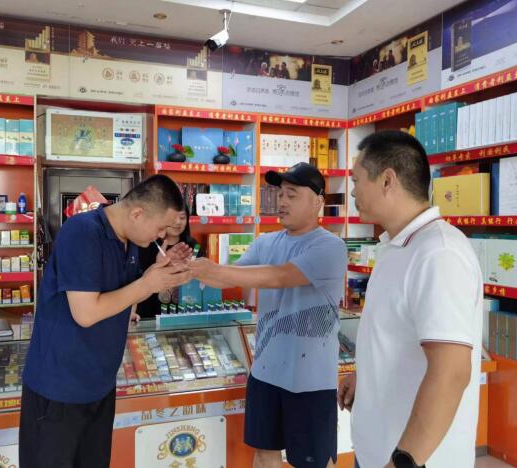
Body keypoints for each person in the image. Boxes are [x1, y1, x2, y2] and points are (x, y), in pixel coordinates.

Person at [20, 174, 193, 468]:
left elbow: (125, 303)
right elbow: (86, 313)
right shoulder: (82, 231)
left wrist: (158, 272)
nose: (162, 236)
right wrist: (147, 283)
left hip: (99, 386)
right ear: (137, 214)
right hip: (59, 388)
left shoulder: (131, 242)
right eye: (161, 227)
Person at [338, 131, 482, 468]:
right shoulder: (396, 245)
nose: (353, 191)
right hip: (376, 451)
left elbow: (451, 372)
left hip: (411, 459)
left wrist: (403, 462)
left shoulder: (439, 254)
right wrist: (367, 377)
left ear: (387, 180)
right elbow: (399, 335)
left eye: (356, 180)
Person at [190, 163, 347, 468]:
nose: (282, 201)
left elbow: (279, 277)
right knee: (264, 455)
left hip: (311, 381)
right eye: (280, 194)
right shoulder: (265, 242)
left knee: (314, 463)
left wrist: (215, 270)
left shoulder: (331, 247)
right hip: (264, 373)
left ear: (317, 202)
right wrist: (190, 267)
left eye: (292, 194)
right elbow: (231, 276)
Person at [137, 203, 205, 319]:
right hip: (150, 316)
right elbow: (138, 284)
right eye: (173, 217)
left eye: (182, 217)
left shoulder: (194, 247)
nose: (178, 222)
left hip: (185, 316)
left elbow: (201, 284)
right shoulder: (147, 245)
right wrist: (159, 266)